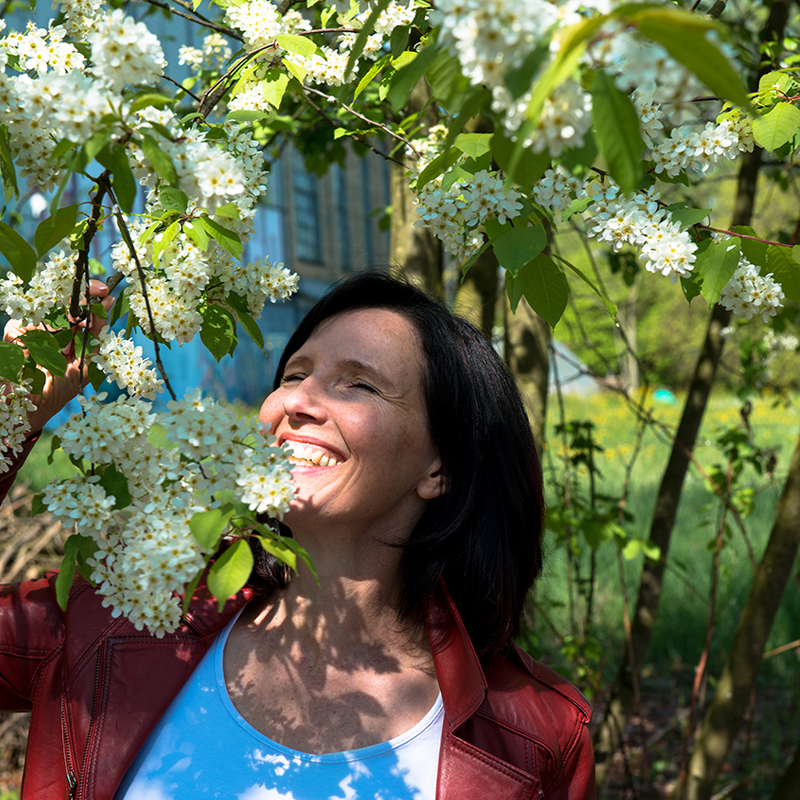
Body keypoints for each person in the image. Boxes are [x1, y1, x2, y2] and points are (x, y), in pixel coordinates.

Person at [0, 272, 596, 799]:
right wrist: (11, 406)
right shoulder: (114, 618)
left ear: (440, 467)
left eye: (358, 384)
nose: (299, 402)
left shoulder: (533, 739)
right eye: (294, 374)